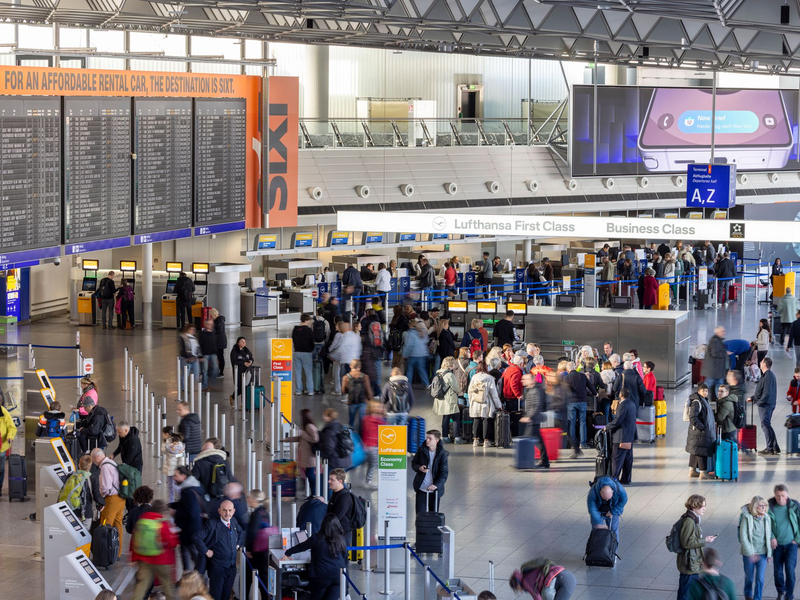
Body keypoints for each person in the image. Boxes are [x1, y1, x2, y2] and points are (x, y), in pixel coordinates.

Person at [282, 513, 348, 600]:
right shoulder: (342, 539)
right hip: (338, 576)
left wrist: (287, 553)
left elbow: (301, 547)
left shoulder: (317, 538)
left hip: (320, 576)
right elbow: (345, 557)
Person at [192, 500, 245, 600]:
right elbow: (196, 537)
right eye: (224, 510)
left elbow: (241, 532)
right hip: (217, 568)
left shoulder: (233, 521)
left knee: (226, 595)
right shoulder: (211, 524)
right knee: (215, 596)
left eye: (230, 510)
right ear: (219, 511)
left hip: (231, 568)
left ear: (234, 511)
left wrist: (237, 545)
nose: (227, 513)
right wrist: (206, 551)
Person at [131, 499, 178, 600]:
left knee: (141, 585)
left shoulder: (142, 520)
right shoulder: (162, 522)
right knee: (166, 585)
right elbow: (171, 542)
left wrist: (134, 558)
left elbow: (134, 540)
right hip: (161, 560)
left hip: (143, 559)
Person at [676, 494, 717, 600]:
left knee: (688, 592)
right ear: (694, 507)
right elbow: (687, 543)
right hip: (689, 564)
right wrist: (705, 540)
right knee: (685, 593)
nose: (704, 509)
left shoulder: (694, 518)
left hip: (692, 562)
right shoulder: (689, 521)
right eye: (702, 506)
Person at [169, 466, 204, 574]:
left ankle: (203, 579)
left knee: (193, 554)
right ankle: (186, 575)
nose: (173, 478)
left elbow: (191, 513)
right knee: (184, 551)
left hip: (190, 530)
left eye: (176, 475)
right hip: (188, 529)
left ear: (183, 476)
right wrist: (171, 505)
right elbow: (185, 504)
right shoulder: (190, 487)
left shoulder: (189, 492)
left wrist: (175, 513)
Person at [768, 484, 800, 600]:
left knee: (790, 570)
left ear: (787, 495)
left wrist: (797, 540)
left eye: (783, 496)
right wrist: (772, 536)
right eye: (778, 496)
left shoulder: (794, 506)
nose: (781, 499)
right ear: (775, 495)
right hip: (777, 545)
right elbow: (766, 525)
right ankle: (781, 591)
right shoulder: (769, 507)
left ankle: (789, 595)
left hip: (791, 544)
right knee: (778, 571)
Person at [92, 448, 125, 557]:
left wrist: (100, 497)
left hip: (112, 499)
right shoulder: (112, 462)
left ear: (96, 458)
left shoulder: (105, 467)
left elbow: (106, 487)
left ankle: (105, 553)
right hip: (120, 498)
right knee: (118, 524)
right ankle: (117, 553)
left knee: (105, 525)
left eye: (93, 459)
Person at [739, 496, 774, 600]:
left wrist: (769, 554)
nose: (763, 508)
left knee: (760, 578)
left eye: (764, 506)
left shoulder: (767, 518)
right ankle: (748, 594)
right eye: (760, 506)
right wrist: (751, 553)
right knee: (749, 577)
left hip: (762, 553)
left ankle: (757, 598)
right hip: (749, 554)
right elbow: (743, 537)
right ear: (754, 506)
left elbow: (768, 536)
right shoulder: (746, 518)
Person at [411, 430, 449, 514]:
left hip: (435, 490)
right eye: (427, 438)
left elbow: (444, 473)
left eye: (430, 438)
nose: (427, 440)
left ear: (436, 440)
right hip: (421, 487)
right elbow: (414, 463)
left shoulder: (442, 454)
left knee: (433, 515)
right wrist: (419, 468)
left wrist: (436, 485)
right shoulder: (421, 450)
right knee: (420, 515)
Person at [244, 489, 272, 599]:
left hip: (255, 552)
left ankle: (244, 596)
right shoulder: (265, 512)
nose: (248, 499)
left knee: (247, 578)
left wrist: (249, 550)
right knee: (263, 577)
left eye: (249, 497)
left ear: (255, 500)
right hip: (264, 550)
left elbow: (252, 533)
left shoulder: (256, 514)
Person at [749, 357, 780, 455]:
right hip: (766, 404)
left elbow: (766, 393)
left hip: (766, 405)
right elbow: (761, 391)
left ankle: (769, 447)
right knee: (766, 424)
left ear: (765, 365)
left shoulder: (768, 376)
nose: (760, 363)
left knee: (765, 424)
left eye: (762, 362)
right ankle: (775, 447)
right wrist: (753, 398)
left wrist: (759, 402)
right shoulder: (766, 375)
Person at [468, 361, 503, 447]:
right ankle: (486, 441)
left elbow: (470, 391)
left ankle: (475, 440)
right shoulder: (490, 378)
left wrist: (471, 401)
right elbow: (494, 393)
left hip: (476, 402)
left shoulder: (474, 377)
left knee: (476, 420)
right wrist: (499, 405)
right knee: (486, 420)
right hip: (486, 402)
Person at [605, 387, 636, 485]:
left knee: (616, 459)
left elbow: (618, 420)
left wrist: (608, 427)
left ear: (621, 395)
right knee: (628, 459)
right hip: (629, 436)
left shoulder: (622, 405)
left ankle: (614, 479)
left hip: (621, 437)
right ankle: (626, 479)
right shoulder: (632, 404)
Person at [519, 372, 550, 468]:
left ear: (532, 380)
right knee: (538, 441)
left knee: (527, 441)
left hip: (534, 419)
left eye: (525, 379)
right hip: (533, 419)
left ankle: (524, 461)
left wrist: (529, 416)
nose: (522, 381)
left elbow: (536, 406)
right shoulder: (528, 390)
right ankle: (544, 461)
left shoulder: (536, 390)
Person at [565, 361, 596, 456]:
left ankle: (573, 445)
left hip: (571, 402)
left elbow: (565, 390)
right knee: (583, 422)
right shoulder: (582, 376)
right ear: (575, 367)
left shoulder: (566, 378)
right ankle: (583, 443)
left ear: (568, 369)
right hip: (583, 401)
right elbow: (590, 386)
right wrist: (595, 393)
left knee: (572, 423)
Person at [686, 383, 716, 480]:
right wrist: (702, 427)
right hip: (699, 432)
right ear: (699, 391)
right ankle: (703, 472)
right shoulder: (697, 402)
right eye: (703, 390)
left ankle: (692, 471)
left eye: (706, 391)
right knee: (702, 451)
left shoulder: (703, 400)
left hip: (697, 432)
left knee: (695, 451)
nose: (705, 392)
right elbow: (693, 418)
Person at [508, 558, 577, 600]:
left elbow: (537, 597)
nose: (520, 590)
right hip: (566, 575)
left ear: (517, 584)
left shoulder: (526, 581)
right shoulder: (528, 573)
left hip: (564, 581)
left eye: (517, 588)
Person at [284, 409, 320, 488]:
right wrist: (288, 439)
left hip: (309, 455)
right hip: (306, 455)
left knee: (310, 475)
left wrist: (303, 434)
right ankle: (312, 492)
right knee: (308, 474)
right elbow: (301, 438)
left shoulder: (309, 426)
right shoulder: (307, 426)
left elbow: (315, 439)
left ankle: (314, 493)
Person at [432, 356, 463, 444]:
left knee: (445, 418)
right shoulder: (450, 375)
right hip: (450, 400)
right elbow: (456, 388)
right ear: (451, 364)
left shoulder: (439, 373)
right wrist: (460, 390)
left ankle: (445, 437)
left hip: (442, 399)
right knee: (456, 418)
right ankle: (457, 438)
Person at [58, 454, 95, 528]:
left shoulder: (70, 476)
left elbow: (63, 490)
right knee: (84, 535)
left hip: (71, 509)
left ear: (79, 465)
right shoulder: (92, 478)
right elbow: (96, 496)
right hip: (85, 512)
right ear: (90, 466)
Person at [587, 477, 627, 545]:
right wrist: (598, 523)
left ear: (612, 491)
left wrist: (612, 512)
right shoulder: (593, 491)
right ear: (600, 492)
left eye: (608, 498)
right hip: (599, 511)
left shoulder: (619, 489)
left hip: (613, 509)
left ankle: (613, 552)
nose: (607, 500)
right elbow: (592, 508)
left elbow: (624, 500)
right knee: (596, 530)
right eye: (605, 498)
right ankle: (594, 550)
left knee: (613, 530)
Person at [328, 322, 362, 394]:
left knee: (346, 378)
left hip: (347, 361)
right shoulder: (355, 335)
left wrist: (331, 355)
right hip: (354, 360)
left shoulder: (345, 336)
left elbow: (340, 349)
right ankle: (351, 394)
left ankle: (347, 394)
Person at [341, 359, 372, 429]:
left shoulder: (345, 377)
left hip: (351, 401)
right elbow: (368, 390)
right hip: (363, 401)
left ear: (350, 366)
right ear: (360, 366)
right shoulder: (365, 377)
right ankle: (361, 435)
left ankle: (350, 435)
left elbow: (343, 391)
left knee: (351, 420)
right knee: (362, 420)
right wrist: (370, 400)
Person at [324, 468, 355, 537]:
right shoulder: (336, 493)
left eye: (332, 480)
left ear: (340, 481)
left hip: (342, 536)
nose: (329, 481)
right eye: (329, 479)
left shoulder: (344, 498)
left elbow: (336, 518)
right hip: (336, 533)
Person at [361, 402, 386, 487]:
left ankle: (368, 480)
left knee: (372, 463)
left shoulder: (380, 419)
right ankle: (368, 481)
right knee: (373, 463)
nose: (378, 409)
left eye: (380, 407)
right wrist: (365, 443)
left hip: (376, 444)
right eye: (376, 407)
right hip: (371, 445)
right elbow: (364, 431)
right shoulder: (368, 419)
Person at [292, 313, 315, 396]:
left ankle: (298, 390)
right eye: (309, 321)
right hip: (306, 353)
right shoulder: (308, 330)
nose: (309, 322)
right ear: (306, 320)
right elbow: (312, 342)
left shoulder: (295, 329)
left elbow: (293, 340)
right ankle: (310, 390)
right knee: (308, 373)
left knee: (297, 373)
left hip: (297, 352)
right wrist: (311, 349)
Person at [404, 321, 430, 387]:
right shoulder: (424, 333)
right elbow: (427, 341)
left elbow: (409, 345)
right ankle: (426, 384)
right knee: (422, 370)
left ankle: (408, 385)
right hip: (422, 354)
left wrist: (406, 354)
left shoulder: (412, 333)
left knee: (409, 370)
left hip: (413, 354)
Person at [229, 337, 254, 406]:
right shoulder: (234, 351)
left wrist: (250, 362)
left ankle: (244, 403)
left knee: (246, 387)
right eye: (242, 342)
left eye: (245, 342)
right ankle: (233, 396)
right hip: (239, 373)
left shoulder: (246, 350)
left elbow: (251, 357)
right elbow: (234, 361)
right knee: (241, 388)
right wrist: (243, 363)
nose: (244, 343)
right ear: (238, 343)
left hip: (247, 372)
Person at [162, 431, 186, 502]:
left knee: (173, 487)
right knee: (174, 486)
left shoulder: (172, 447)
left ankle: (173, 500)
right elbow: (181, 460)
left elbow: (164, 451)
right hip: (173, 471)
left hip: (171, 470)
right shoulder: (180, 448)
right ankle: (175, 500)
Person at [179, 324, 203, 391]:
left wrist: (200, 356)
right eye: (191, 329)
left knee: (197, 373)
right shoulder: (183, 337)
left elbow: (197, 348)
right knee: (185, 374)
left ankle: (197, 387)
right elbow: (183, 348)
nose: (193, 331)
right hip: (186, 359)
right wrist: (188, 356)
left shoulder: (194, 338)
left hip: (195, 358)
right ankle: (183, 388)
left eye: (193, 329)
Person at [198, 319, 218, 392]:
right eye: (208, 324)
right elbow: (199, 345)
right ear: (205, 325)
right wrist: (200, 356)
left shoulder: (214, 332)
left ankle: (210, 377)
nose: (210, 325)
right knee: (204, 370)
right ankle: (204, 385)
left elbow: (215, 342)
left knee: (215, 368)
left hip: (213, 354)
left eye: (211, 324)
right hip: (205, 355)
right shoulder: (202, 333)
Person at [209, 308, 227, 378]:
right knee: (218, 357)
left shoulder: (219, 321)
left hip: (220, 342)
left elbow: (219, 330)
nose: (211, 317)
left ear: (214, 315)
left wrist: (211, 330)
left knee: (220, 357)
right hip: (219, 341)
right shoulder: (218, 320)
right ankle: (217, 371)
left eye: (211, 316)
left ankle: (221, 372)